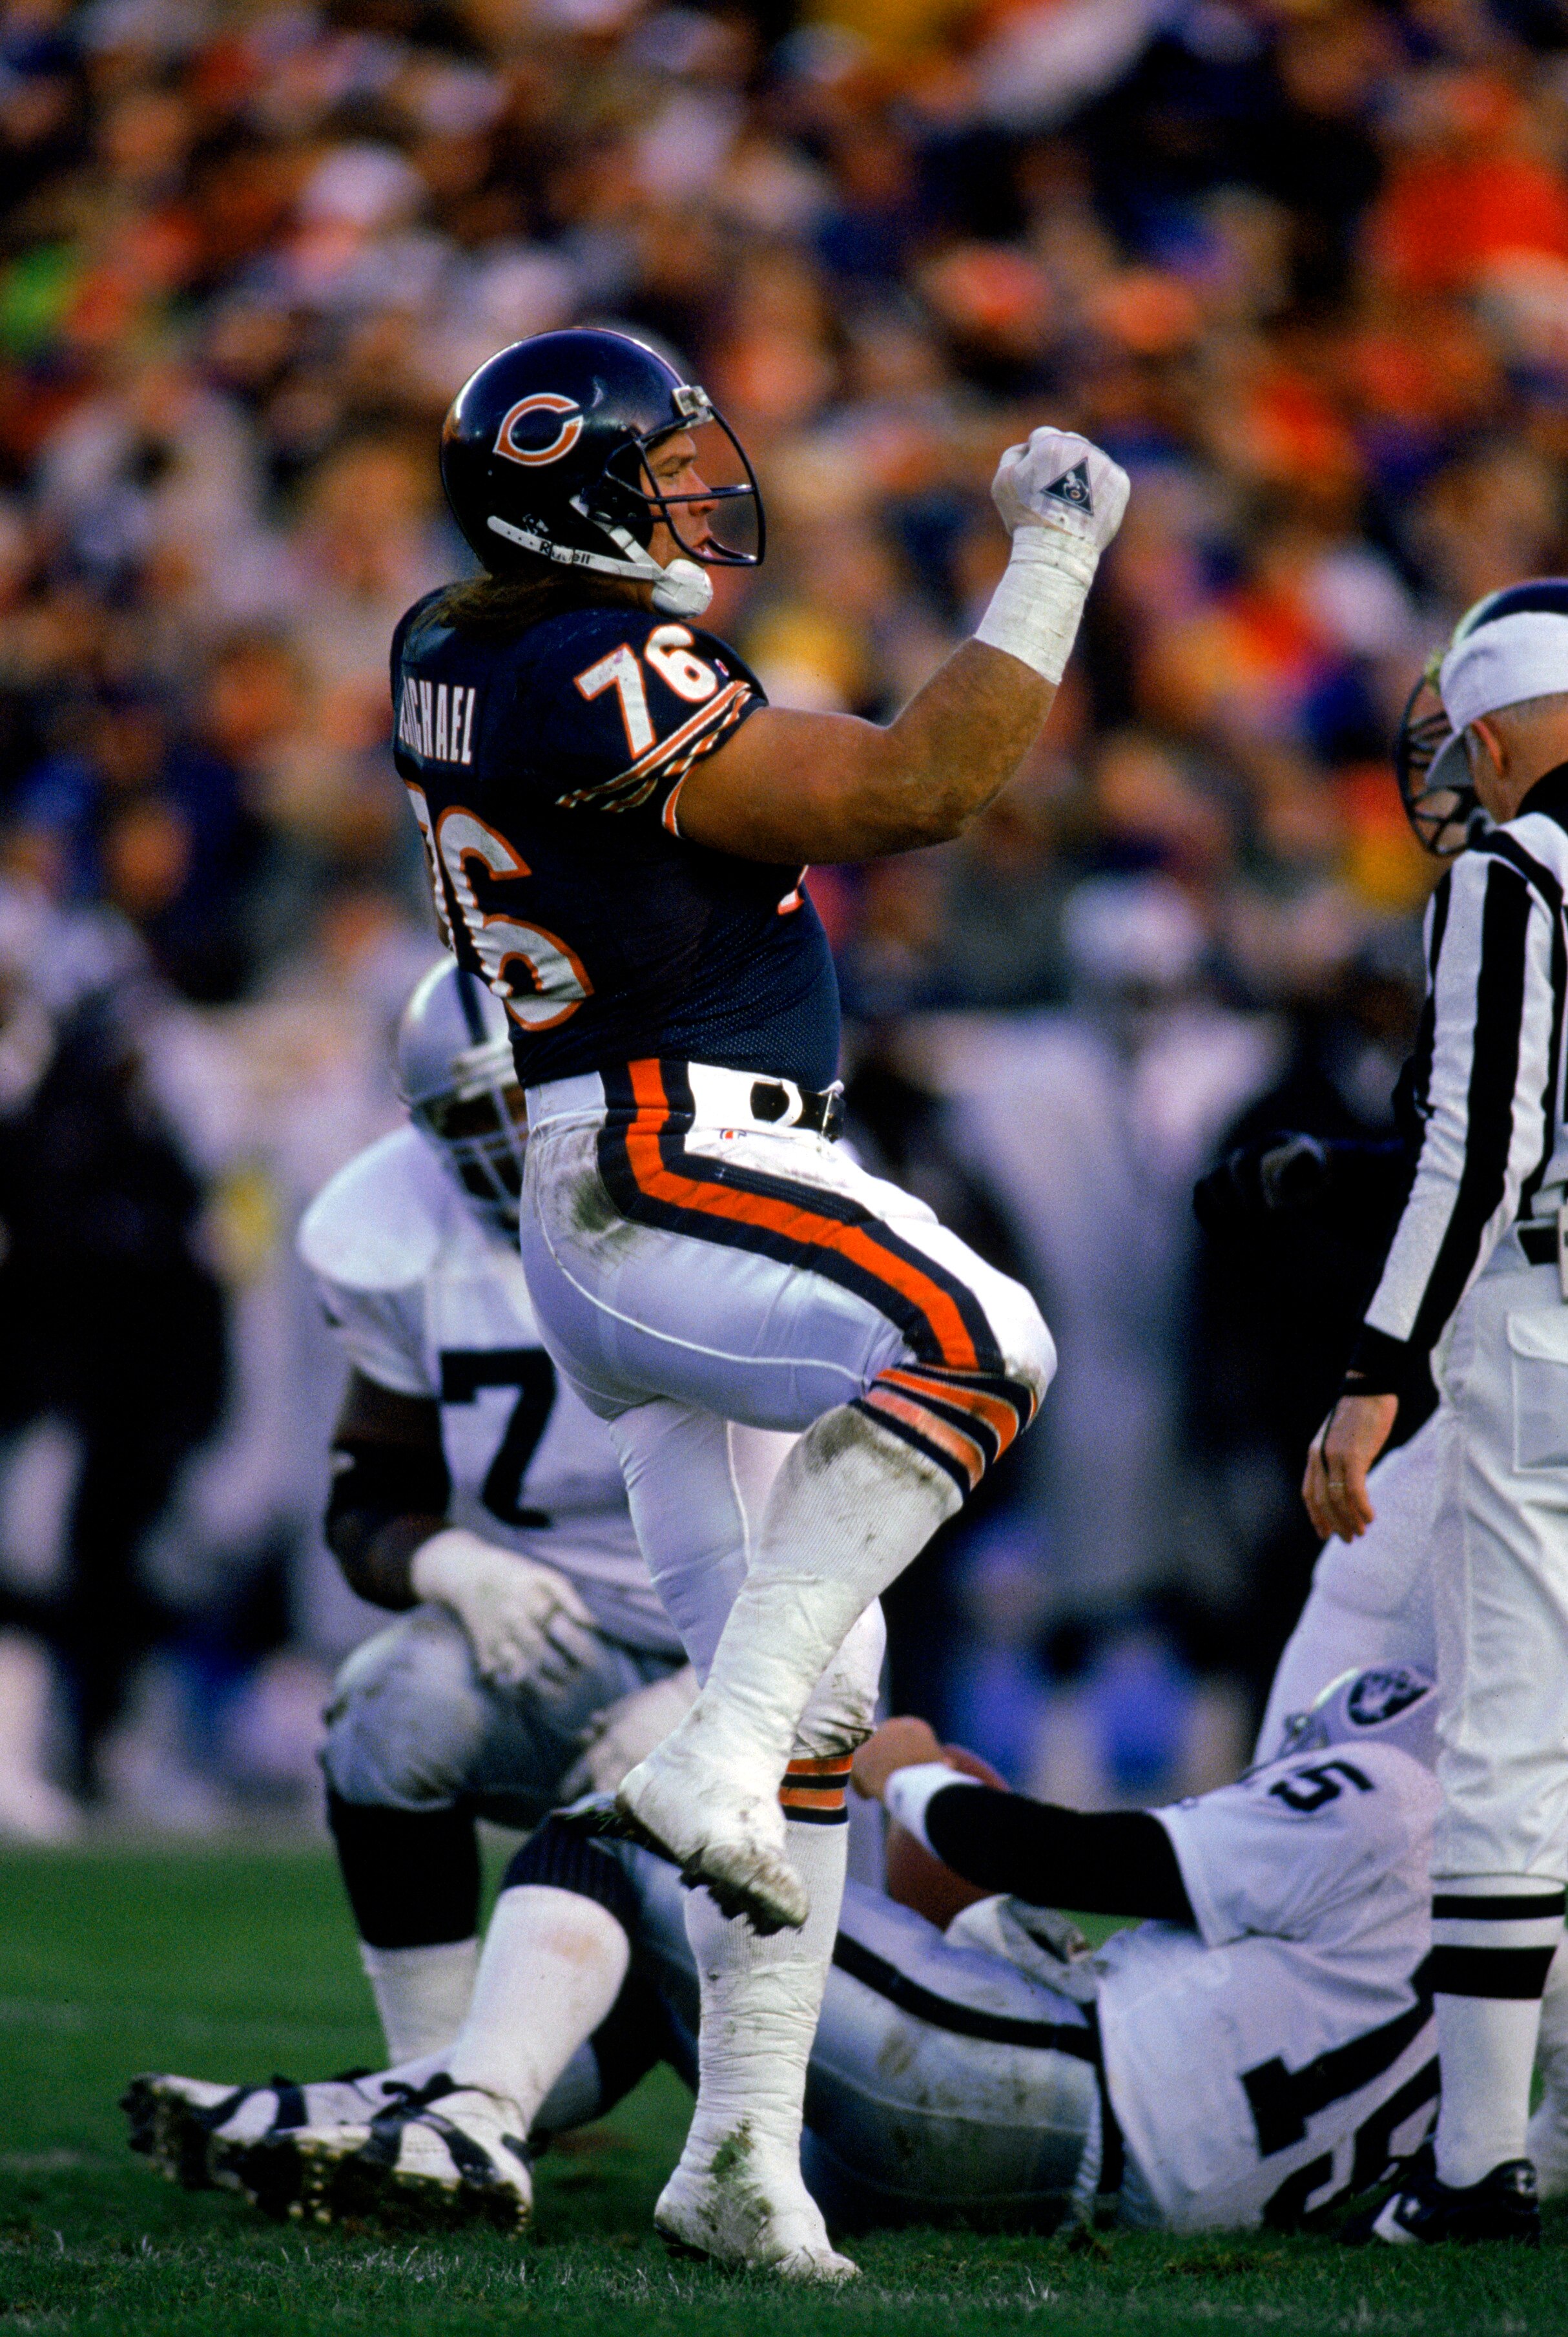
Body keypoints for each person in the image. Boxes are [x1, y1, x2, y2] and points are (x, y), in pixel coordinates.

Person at [386, 325, 1126, 2275]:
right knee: (982, 1339)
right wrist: (1054, 556)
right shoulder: (587, 664)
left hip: (606, 1181)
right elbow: (915, 786)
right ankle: (708, 1752)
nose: (693, 501)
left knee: (830, 1694)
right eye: (656, 473)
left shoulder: (452, 643)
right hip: (672, 1156)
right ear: (565, 498)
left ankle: (737, 2159)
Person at [124, 1668, 1449, 2242]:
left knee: (632, 1828)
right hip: (1065, 2173)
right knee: (668, 1963)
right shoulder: (1503, 1958)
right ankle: (373, 2113)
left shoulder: (1396, 1796)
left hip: (1031, 2095)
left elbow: (1076, 1859)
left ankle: (462, 2117)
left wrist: (909, 1777)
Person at [297, 957, 781, 2062]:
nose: (515, 1141)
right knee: (387, 1707)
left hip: (780, 1655)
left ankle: (538, 2076)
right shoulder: (394, 1235)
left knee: (797, 2075)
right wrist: (458, 1568)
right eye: (479, 1115)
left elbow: (853, 1510)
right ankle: (428, 2080)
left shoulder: (728, 1187)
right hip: (568, 1633)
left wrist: (722, 1700)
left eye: (531, 1100)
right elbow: (369, 1497)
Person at [1303, 579, 1568, 2246]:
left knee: (1512, 1735)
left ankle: (1474, 2162)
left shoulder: (1514, 870)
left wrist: (1371, 1372)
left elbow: (1477, 1149)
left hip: (1542, 1328)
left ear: (1505, 724)